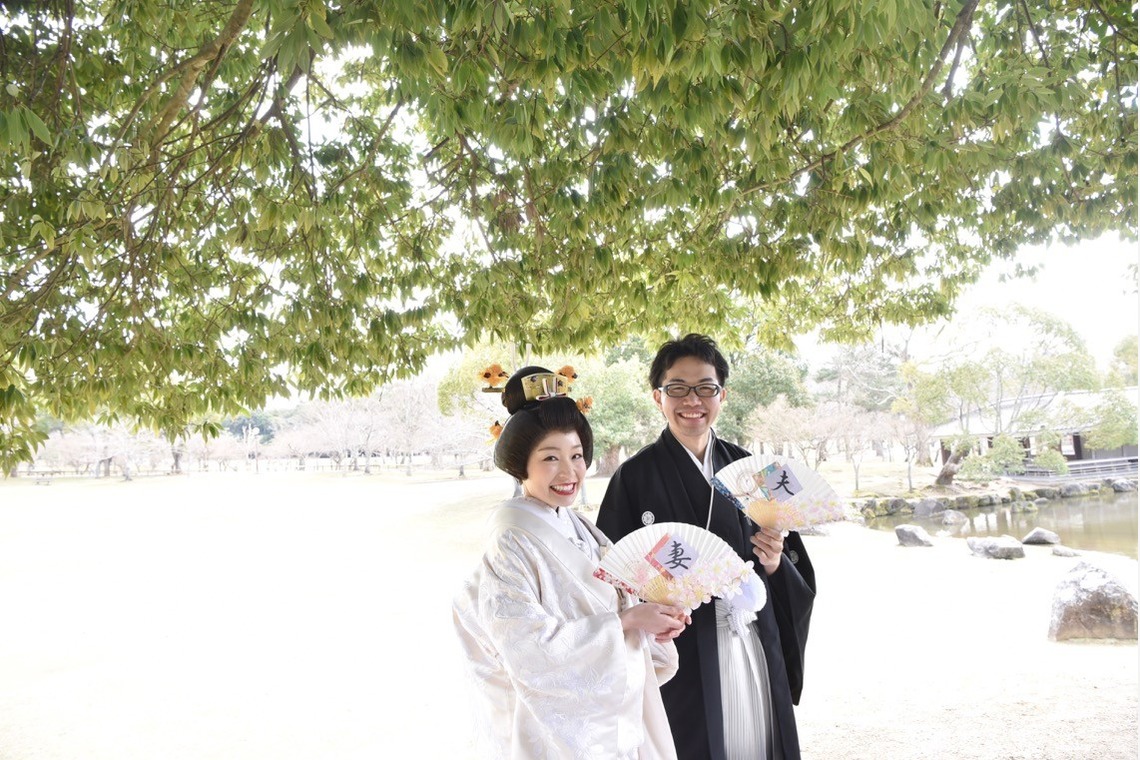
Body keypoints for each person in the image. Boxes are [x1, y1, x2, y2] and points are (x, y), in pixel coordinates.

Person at [596, 335, 816, 760]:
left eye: (705, 387)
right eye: (677, 387)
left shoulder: (755, 470)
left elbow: (794, 563)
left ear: (722, 394)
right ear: (658, 396)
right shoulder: (633, 478)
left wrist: (773, 565)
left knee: (758, 740)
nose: (691, 400)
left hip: (750, 636)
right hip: (682, 649)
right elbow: (613, 577)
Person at [453, 366, 689, 759]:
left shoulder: (578, 524)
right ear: (520, 465)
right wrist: (627, 623)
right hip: (557, 728)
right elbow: (524, 645)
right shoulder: (511, 539)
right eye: (550, 458)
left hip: (612, 712)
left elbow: (617, 603)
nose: (569, 472)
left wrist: (651, 624)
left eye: (577, 456)